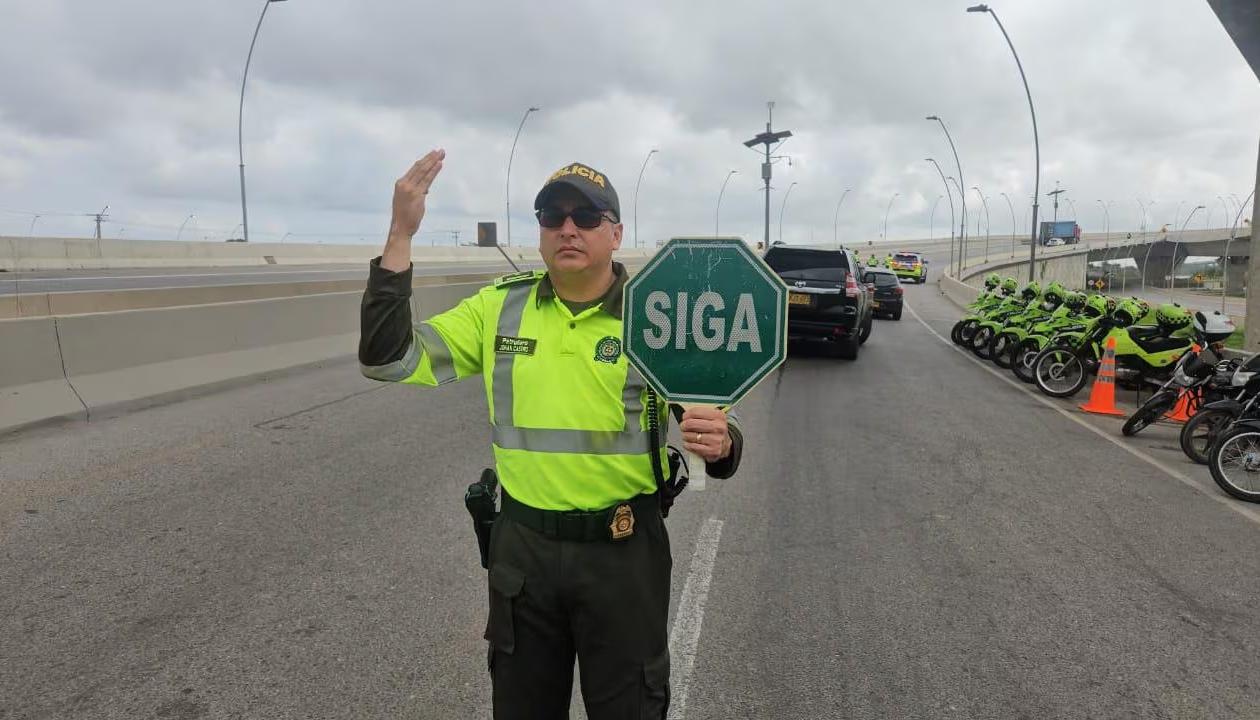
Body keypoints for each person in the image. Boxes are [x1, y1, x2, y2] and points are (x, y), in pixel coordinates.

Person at [358, 150, 745, 719]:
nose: (568, 228)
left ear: (616, 234)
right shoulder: (498, 309)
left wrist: (723, 443)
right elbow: (387, 359)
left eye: (586, 217)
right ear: (540, 231)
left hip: (623, 553)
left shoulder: (657, 313)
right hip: (524, 553)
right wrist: (400, 235)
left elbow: (719, 429)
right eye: (552, 216)